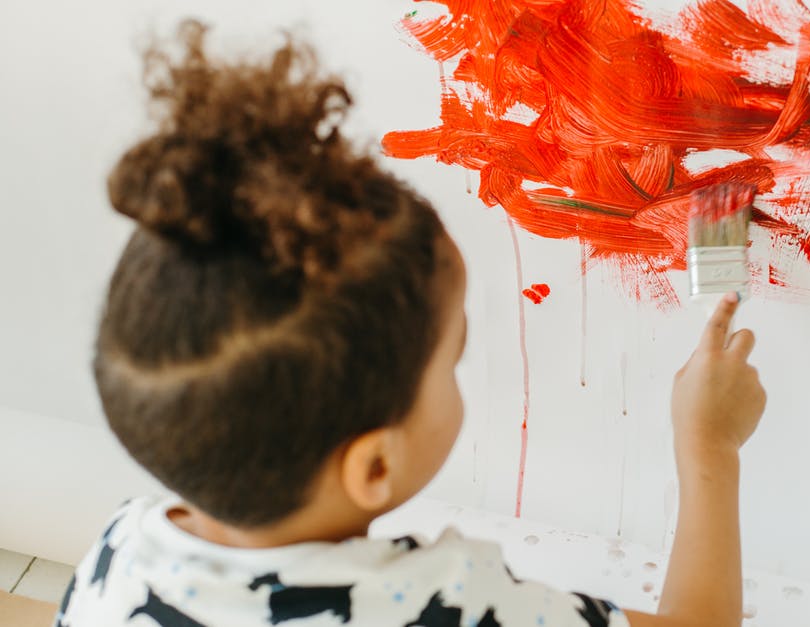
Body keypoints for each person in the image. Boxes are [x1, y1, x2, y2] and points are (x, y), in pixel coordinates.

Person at [59, 20, 766, 627]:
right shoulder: (449, 605)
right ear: (375, 464)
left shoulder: (117, 559)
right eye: (454, 357)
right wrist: (709, 446)